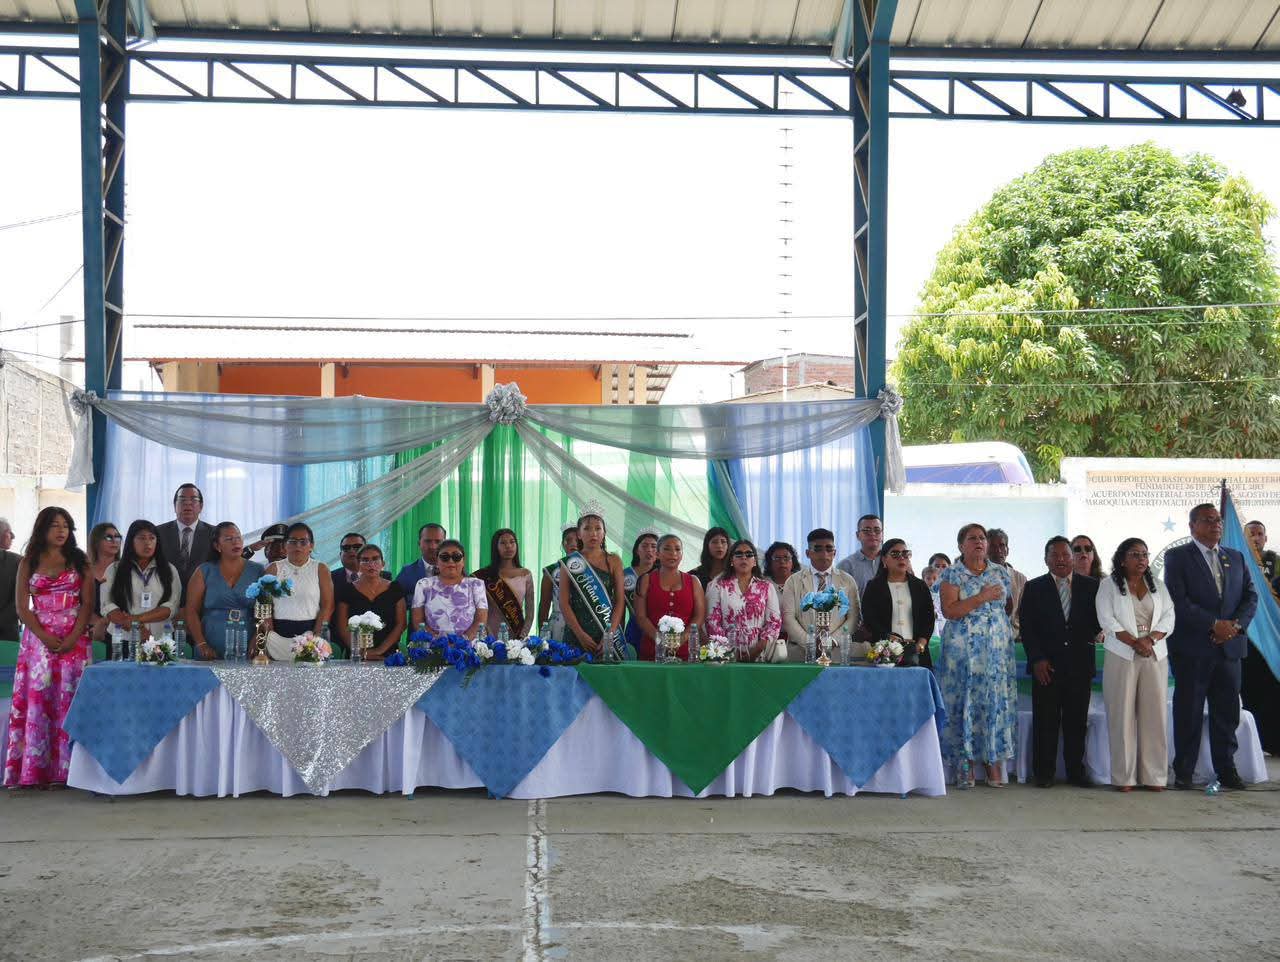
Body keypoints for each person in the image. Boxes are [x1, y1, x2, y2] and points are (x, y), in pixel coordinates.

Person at [1164, 503, 1258, 791]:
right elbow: (1179, 601)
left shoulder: (1236, 557)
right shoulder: (1177, 557)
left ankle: (1226, 770)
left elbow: (1250, 597)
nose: (1216, 524)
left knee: (1227, 714)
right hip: (1193, 649)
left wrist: (1234, 627)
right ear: (1192, 526)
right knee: (1189, 712)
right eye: (1208, 520)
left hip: (1230, 649)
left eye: (1218, 520)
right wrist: (1214, 624)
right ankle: (1184, 771)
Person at [4, 508, 94, 787]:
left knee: (71, 700)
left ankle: (71, 772)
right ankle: (36, 772)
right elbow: (22, 607)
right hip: (38, 640)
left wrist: (73, 637)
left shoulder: (79, 560)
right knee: (40, 702)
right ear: (42, 529)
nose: (61, 530)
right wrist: (43, 636)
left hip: (74, 638)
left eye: (65, 525)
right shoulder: (28, 561)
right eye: (55, 525)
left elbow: (88, 604)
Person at [1018, 536, 1102, 789]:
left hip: (1079, 665)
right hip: (1047, 667)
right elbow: (1028, 628)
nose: (1061, 559)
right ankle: (1044, 773)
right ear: (1046, 560)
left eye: (1066, 554)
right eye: (1055, 555)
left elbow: (1099, 622)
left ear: (1072, 558)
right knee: (1046, 721)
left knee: (1077, 722)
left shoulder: (1092, 587)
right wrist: (1037, 659)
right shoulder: (1034, 587)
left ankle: (1076, 772)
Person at [937, 523, 1016, 789]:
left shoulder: (999, 571)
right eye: (972, 538)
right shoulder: (953, 573)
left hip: (995, 651)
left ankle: (992, 762)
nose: (979, 542)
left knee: (992, 702)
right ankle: (965, 765)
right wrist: (981, 597)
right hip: (963, 652)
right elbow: (950, 611)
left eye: (982, 538)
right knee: (965, 703)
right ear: (961, 546)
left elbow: (1007, 606)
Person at [1097, 538, 1175, 791]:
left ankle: (1154, 777)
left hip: (1154, 654)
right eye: (1135, 554)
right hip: (1122, 654)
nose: (1141, 559)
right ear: (1122, 559)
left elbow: (1169, 617)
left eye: (1144, 554)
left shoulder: (1158, 586)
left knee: (1155, 716)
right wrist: (1134, 642)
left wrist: (1150, 640)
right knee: (1122, 716)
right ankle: (1124, 777)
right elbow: (1106, 619)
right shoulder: (1108, 585)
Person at [184, 522, 264, 660]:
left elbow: (265, 613)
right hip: (210, 644)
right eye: (228, 539)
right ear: (217, 546)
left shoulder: (258, 570)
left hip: (246, 643)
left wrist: (258, 639)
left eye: (238, 537)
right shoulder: (204, 570)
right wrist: (201, 643)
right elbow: (191, 611)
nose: (235, 542)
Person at [781, 528, 861, 663]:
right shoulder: (793, 581)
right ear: (808, 553)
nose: (824, 553)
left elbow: (854, 618)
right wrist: (811, 644)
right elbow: (788, 618)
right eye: (818, 549)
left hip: (836, 654)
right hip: (800, 654)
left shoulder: (847, 581)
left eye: (829, 548)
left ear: (835, 552)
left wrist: (831, 641)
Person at [101, 520, 182, 647]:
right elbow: (107, 605)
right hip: (121, 639)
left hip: (160, 638)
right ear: (131, 541)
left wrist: (136, 621)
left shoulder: (169, 570)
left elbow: (171, 607)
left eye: (152, 538)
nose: (148, 543)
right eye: (142, 538)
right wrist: (137, 628)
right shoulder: (114, 569)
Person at [559, 509, 627, 657]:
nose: (593, 533)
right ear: (579, 534)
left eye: (598, 528)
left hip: (606, 632)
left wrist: (609, 634)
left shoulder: (614, 560)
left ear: (604, 532)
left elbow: (620, 601)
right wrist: (580, 634)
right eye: (587, 529)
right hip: (576, 633)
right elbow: (563, 603)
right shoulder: (569, 562)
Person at [263, 522, 334, 660]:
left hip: (311, 635)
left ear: (311, 546)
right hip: (277, 636)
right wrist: (268, 635)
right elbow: (265, 607)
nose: (298, 546)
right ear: (285, 545)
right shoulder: (273, 569)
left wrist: (316, 637)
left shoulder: (321, 569)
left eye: (303, 542)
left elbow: (328, 606)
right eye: (293, 541)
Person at [861, 539, 935, 668]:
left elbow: (928, 618)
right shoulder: (874, 586)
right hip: (884, 652)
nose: (901, 558)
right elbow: (869, 618)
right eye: (895, 554)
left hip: (917, 652)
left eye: (905, 554)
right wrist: (886, 637)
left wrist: (922, 643)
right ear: (884, 559)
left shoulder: (920, 586)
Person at [705, 539, 782, 662]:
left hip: (760, 655)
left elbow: (774, 622)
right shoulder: (718, 586)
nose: (744, 557)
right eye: (739, 554)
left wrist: (757, 649)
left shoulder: (766, 587)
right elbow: (712, 622)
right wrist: (729, 651)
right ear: (731, 560)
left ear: (754, 561)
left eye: (749, 554)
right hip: (726, 656)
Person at [634, 533, 705, 661]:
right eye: (667, 549)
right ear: (657, 554)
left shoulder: (693, 581)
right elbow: (640, 617)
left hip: (686, 652)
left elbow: (699, 616)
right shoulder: (646, 580)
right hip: (652, 652)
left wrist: (681, 639)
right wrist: (660, 639)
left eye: (677, 549)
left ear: (682, 554)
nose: (673, 553)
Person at [1243, 526, 1280, 755]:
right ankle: (1253, 745)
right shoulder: (1235, 560)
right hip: (1249, 639)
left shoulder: (1275, 561)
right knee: (1250, 690)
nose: (1255, 538)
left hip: (1273, 639)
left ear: (1266, 538)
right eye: (1251, 534)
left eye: (1259, 534)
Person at [337, 543, 407, 659]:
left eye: (375, 559)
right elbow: (342, 627)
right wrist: (360, 652)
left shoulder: (395, 588)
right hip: (356, 655)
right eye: (365, 560)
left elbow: (401, 624)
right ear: (358, 565)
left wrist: (379, 651)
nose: (371, 564)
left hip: (388, 654)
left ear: (383, 564)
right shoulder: (347, 590)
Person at [411, 539, 487, 640]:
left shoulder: (476, 585)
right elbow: (418, 621)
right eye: (445, 557)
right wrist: (438, 642)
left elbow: (480, 620)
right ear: (437, 561)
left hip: (469, 644)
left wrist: (462, 641)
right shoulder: (423, 585)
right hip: (432, 645)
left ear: (463, 561)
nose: (451, 561)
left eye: (456, 557)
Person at [156, 483, 215, 604]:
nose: (188, 504)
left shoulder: (214, 533)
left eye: (193, 500)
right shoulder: (157, 533)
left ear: (201, 506)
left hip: (203, 602)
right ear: (174, 506)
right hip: (165, 601)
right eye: (182, 500)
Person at [473, 528, 534, 639]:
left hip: (517, 635)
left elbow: (530, 612)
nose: (508, 546)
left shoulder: (526, 574)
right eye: (503, 543)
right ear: (495, 547)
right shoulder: (483, 576)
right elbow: (477, 611)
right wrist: (488, 636)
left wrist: (523, 636)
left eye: (512, 542)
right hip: (489, 636)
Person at [537, 523, 580, 641]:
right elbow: (544, 606)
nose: (573, 544)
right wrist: (542, 636)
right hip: (557, 626)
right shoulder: (551, 571)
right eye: (568, 540)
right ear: (563, 544)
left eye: (577, 540)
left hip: (583, 625)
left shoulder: (591, 572)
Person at [622, 529, 660, 656]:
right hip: (634, 629)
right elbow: (619, 608)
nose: (649, 550)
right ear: (637, 550)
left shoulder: (663, 574)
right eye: (644, 546)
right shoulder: (625, 574)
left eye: (654, 546)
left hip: (657, 630)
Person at [85, 522, 122, 648]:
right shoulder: (83, 570)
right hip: (87, 629)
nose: (114, 541)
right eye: (109, 537)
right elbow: (76, 603)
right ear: (96, 542)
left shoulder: (126, 570)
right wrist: (96, 623)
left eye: (117, 537)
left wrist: (104, 622)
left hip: (119, 629)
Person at [987, 528, 1027, 638]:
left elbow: (1025, 613)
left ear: (1007, 550)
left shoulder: (1020, 578)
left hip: (1013, 637)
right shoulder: (977, 577)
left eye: (1001, 545)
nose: (998, 550)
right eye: (992, 546)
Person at [396, 522, 446, 600]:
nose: (433, 547)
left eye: (438, 542)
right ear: (419, 543)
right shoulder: (407, 573)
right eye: (428, 541)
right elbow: (395, 602)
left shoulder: (456, 571)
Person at [837, 514, 884, 596]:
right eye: (867, 530)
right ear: (858, 535)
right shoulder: (846, 565)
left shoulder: (892, 561)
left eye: (877, 530)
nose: (872, 534)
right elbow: (840, 599)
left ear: (882, 534)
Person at [0, 518, 21, 641]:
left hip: (8, 634)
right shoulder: (19, 561)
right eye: (9, 532)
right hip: (8, 634)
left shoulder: (18, 561)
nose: (13, 536)